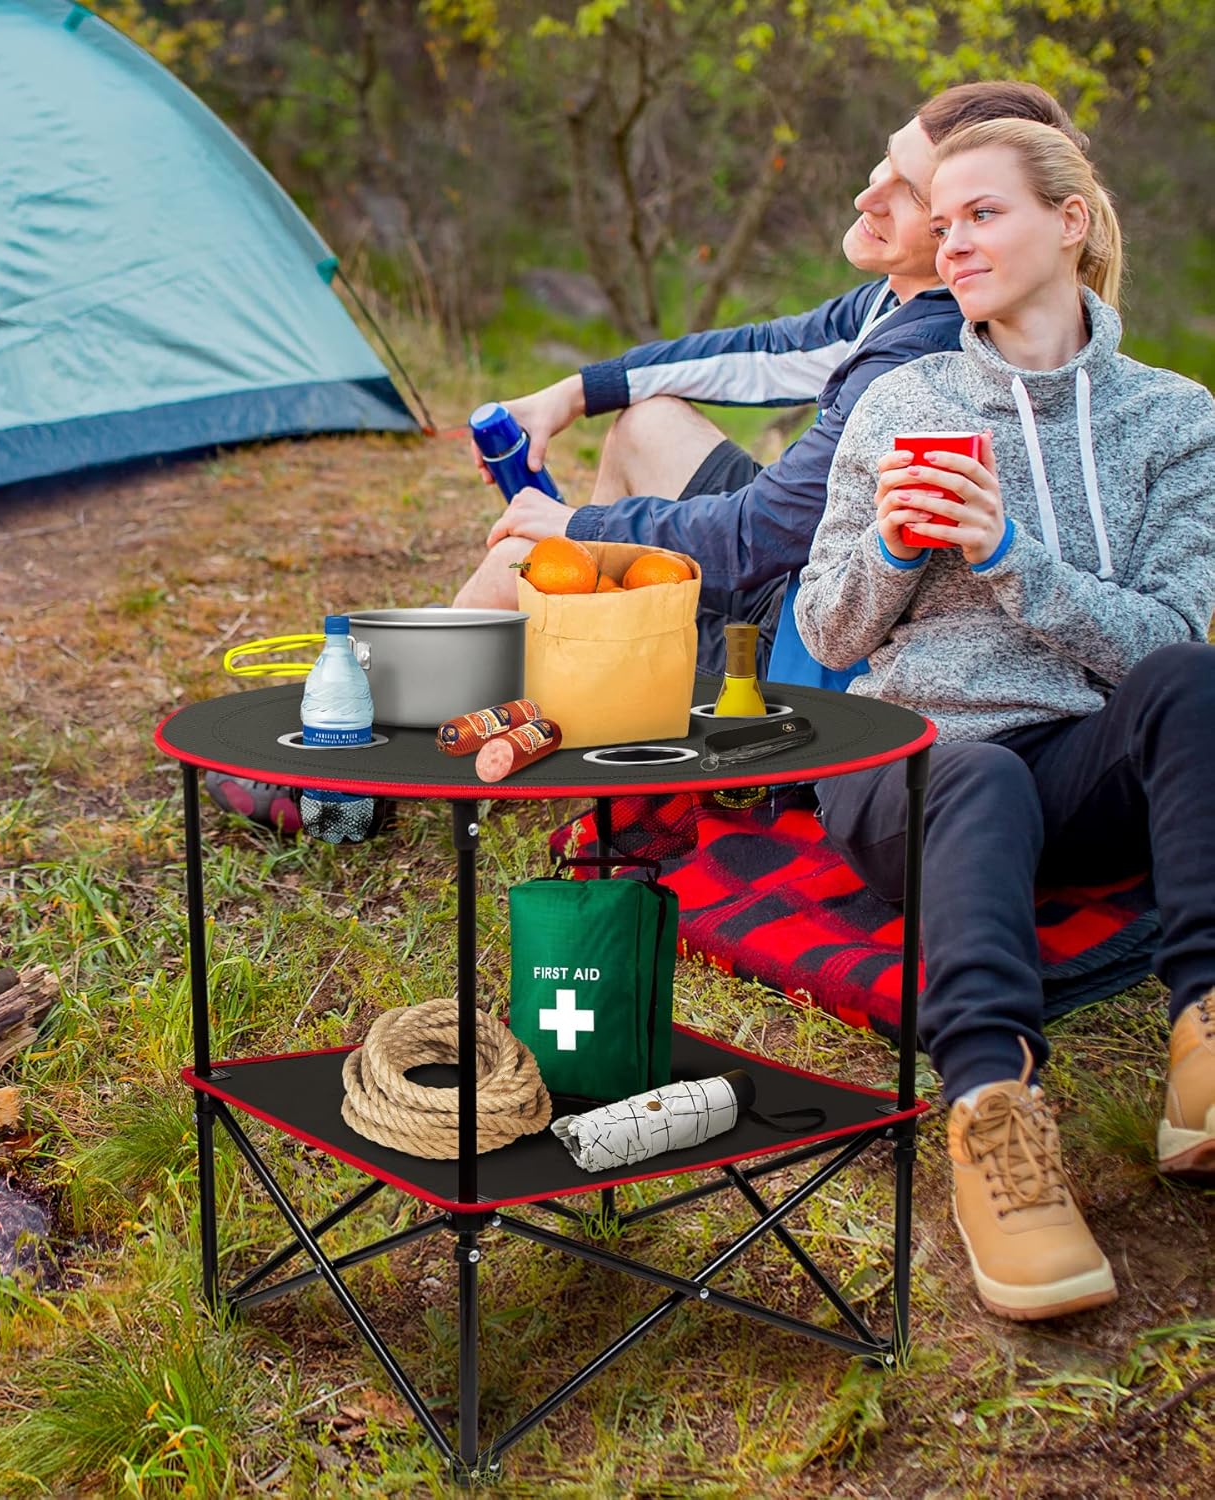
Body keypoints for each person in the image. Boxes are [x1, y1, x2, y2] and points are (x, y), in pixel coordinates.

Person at [793, 119, 1215, 1322]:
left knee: (1197, 682)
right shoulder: (902, 399)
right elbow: (826, 638)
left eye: (984, 212)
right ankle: (993, 1118)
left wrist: (1010, 553)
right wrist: (893, 544)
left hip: (1075, 763)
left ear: (1068, 223)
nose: (951, 237)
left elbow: (1165, 644)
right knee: (972, 772)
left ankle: (1205, 1036)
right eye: (945, 217)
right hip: (910, 766)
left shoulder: (1176, 420)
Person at [454, 83, 1089, 688]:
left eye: (912, 196)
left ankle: (375, 771)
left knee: (516, 571)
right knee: (647, 423)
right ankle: (583, 656)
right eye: (887, 161)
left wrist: (580, 527)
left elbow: (757, 535)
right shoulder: (899, 301)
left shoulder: (924, 354)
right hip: (789, 579)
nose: (868, 198)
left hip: (798, 654)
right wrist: (573, 393)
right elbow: (764, 352)